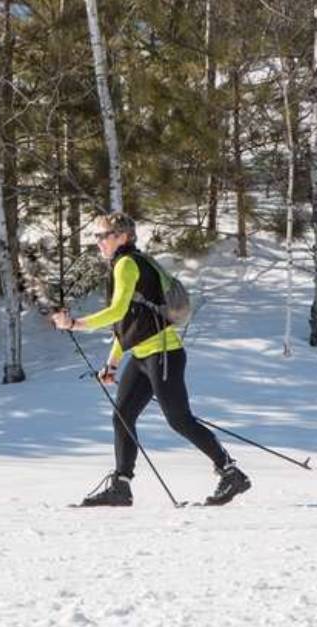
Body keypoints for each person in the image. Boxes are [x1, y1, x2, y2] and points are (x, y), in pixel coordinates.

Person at [52, 212, 251, 507]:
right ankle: (121, 485)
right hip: (144, 355)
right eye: (96, 237)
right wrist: (113, 363)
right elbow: (129, 324)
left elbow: (116, 313)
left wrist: (75, 324)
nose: (98, 242)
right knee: (123, 415)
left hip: (164, 353)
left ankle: (230, 471)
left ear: (122, 237)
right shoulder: (130, 263)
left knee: (179, 420)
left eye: (102, 236)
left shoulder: (127, 264)